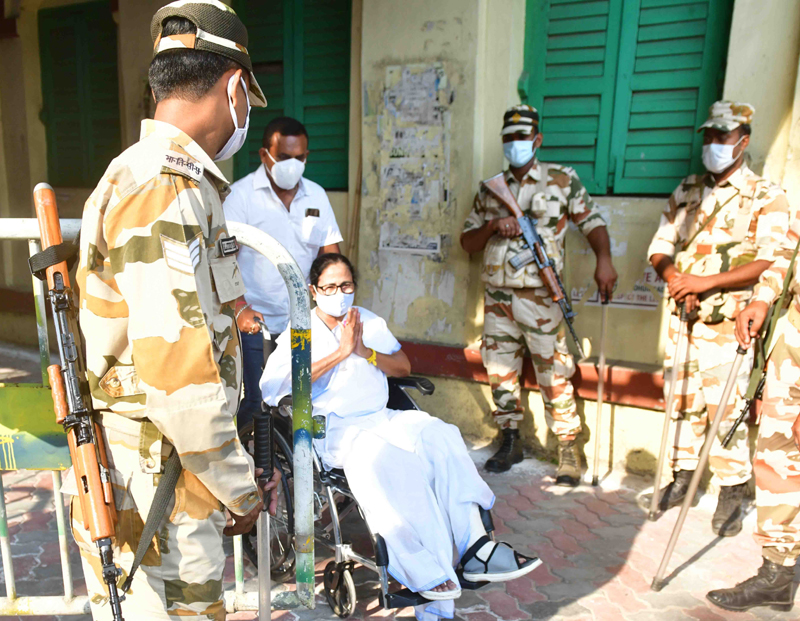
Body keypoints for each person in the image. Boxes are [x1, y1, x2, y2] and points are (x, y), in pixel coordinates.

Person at [71, 3, 278, 618]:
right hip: (163, 471)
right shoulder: (166, 186)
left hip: (164, 461)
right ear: (235, 87)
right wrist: (241, 491)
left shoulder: (165, 178)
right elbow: (178, 375)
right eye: (248, 100)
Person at [261, 253, 541, 621]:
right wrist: (341, 353)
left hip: (382, 417)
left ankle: (476, 548)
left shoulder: (368, 321)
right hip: (337, 430)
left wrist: (363, 351)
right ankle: (426, 577)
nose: (339, 294)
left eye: (346, 285)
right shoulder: (301, 331)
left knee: (441, 435)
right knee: (397, 466)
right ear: (314, 291)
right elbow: (276, 390)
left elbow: (403, 366)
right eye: (329, 287)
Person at [644, 101, 791, 538]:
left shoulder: (767, 195)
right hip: (683, 318)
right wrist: (674, 278)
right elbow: (660, 245)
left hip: (728, 325)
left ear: (743, 141)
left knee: (724, 412)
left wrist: (705, 282)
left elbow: (769, 261)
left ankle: (733, 486)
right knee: (682, 404)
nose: (712, 144)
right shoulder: (688, 190)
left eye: (721, 137)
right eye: (708, 136)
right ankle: (683, 475)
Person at [460, 104, 618, 483]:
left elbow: (591, 222)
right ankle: (510, 439)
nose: (515, 143)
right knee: (500, 371)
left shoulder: (562, 180)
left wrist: (605, 260)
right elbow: (468, 242)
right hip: (498, 297)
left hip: (541, 298)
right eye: (509, 137)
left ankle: (567, 449)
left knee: (555, 371)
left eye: (522, 137)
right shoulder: (489, 189)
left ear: (537, 139)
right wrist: (495, 225)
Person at [704, 198, 800, 611]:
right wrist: (763, 297)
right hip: (792, 344)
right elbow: (787, 251)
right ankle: (778, 571)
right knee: (779, 457)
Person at [224, 116, 342, 433]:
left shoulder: (316, 195)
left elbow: (330, 256)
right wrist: (239, 307)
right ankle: (253, 472)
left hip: (301, 322)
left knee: (298, 397)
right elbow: (222, 262)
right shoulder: (240, 196)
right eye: (285, 157)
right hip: (254, 323)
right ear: (265, 155)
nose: (294, 164)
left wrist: (333, 304)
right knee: (255, 402)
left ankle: (290, 470)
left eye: (300, 158)